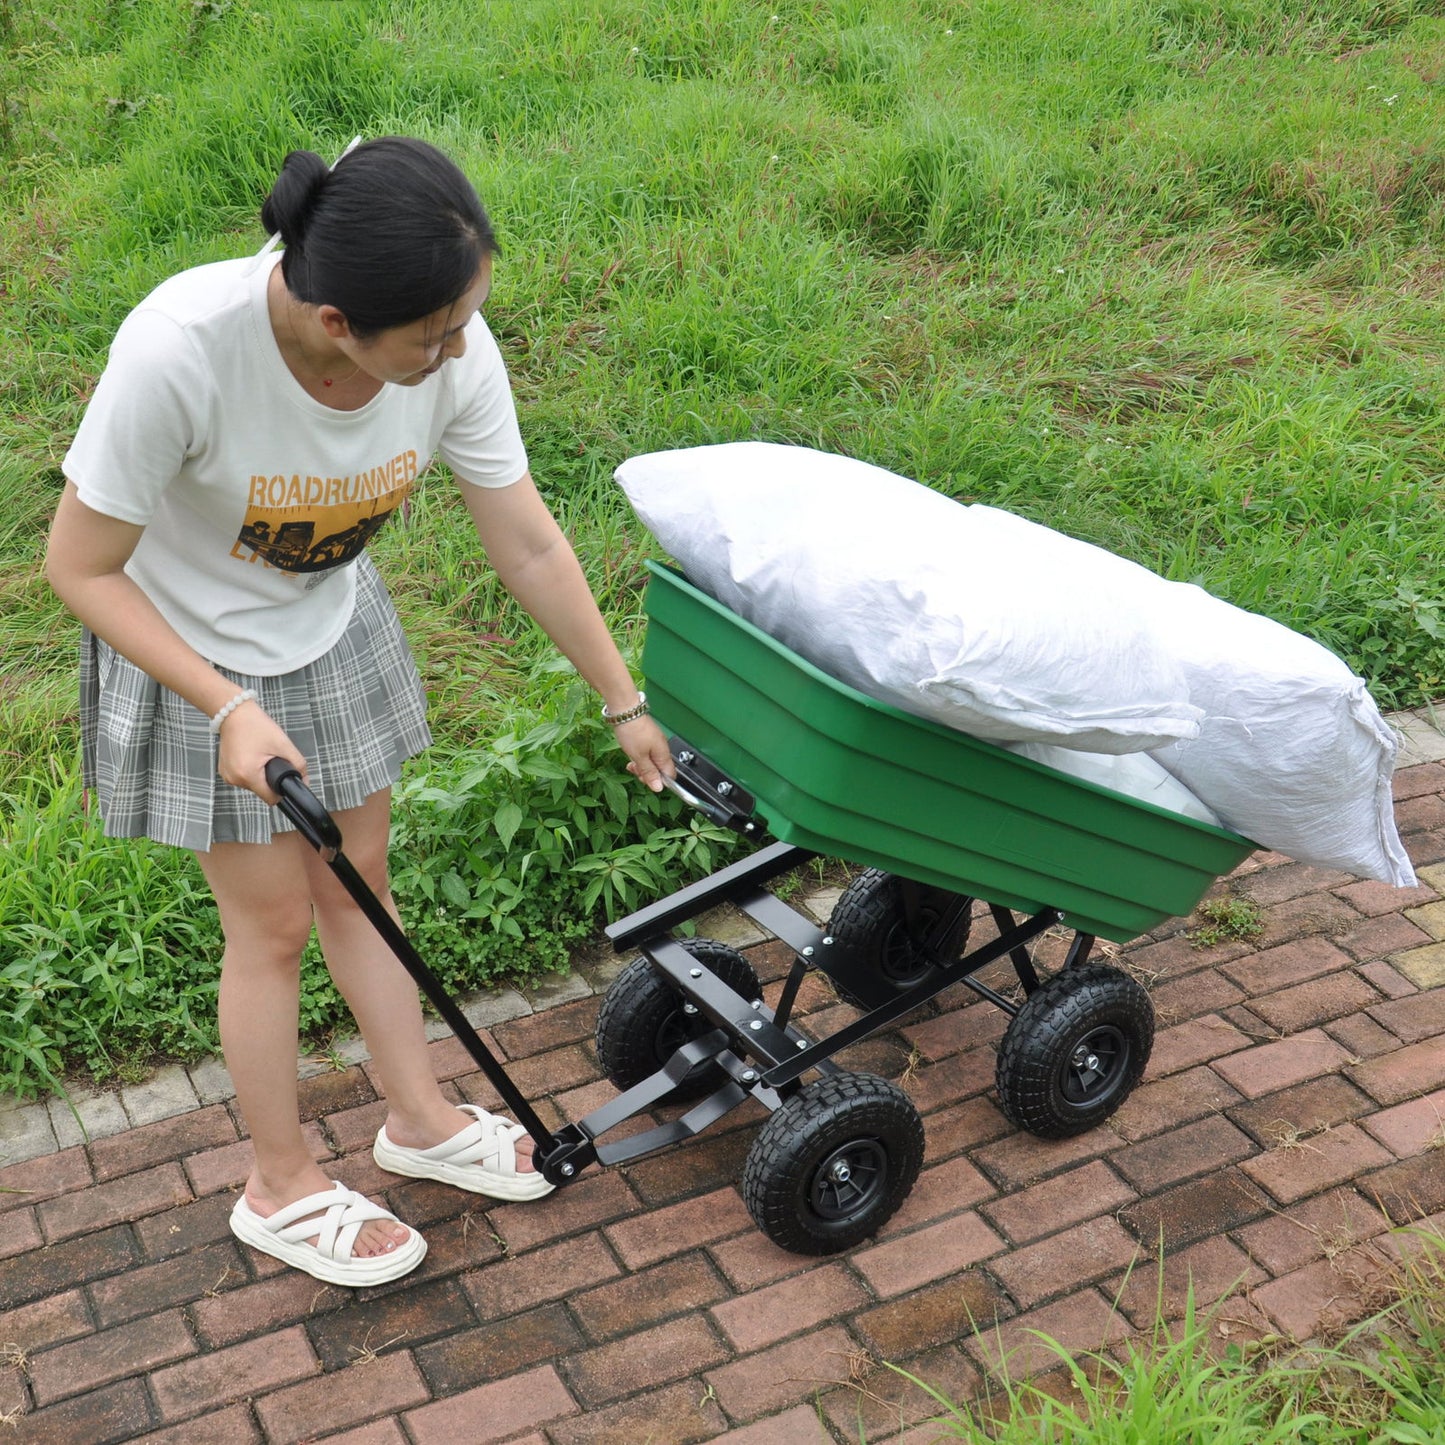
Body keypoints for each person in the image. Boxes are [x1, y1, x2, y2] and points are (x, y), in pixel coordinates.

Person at [45, 136, 674, 1288]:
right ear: (335, 322)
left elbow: (526, 534)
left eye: (463, 319)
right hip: (192, 649)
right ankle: (277, 1183)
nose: (457, 350)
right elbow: (79, 566)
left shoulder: (451, 347)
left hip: (328, 624)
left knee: (362, 879)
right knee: (273, 923)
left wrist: (621, 697)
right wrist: (226, 705)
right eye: (430, 337)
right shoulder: (180, 351)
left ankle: (419, 1120)